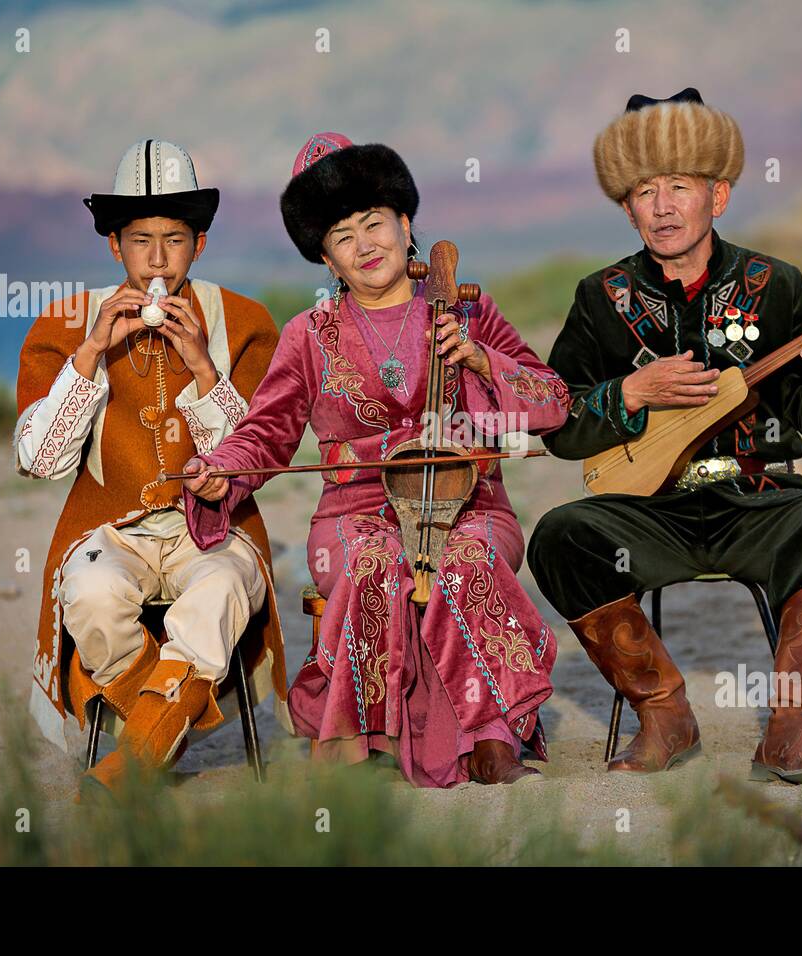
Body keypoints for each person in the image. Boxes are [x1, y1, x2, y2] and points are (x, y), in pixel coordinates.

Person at [182, 132, 570, 787]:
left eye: (373, 224)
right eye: (342, 236)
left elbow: (553, 404)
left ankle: (492, 728)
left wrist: (480, 359)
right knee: (377, 560)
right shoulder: (309, 335)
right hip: (354, 510)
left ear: (405, 224)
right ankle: (373, 734)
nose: (364, 245)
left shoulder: (467, 308)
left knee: (464, 554)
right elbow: (268, 433)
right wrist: (223, 467)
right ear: (326, 259)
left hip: (470, 502)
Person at [527, 90, 802, 783]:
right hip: (649, 513)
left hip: (757, 501)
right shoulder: (602, 296)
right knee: (562, 536)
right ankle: (665, 716)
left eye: (677, 187)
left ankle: (790, 735)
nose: (660, 207)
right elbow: (558, 421)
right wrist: (628, 395)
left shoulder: (775, 286)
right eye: (643, 192)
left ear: (719, 195)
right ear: (625, 208)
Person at [15, 139, 288, 797]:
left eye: (174, 238)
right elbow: (41, 462)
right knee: (91, 595)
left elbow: (259, 459)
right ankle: (158, 736)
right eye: (140, 239)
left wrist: (201, 364)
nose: (158, 258)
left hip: (216, 529)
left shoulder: (247, 323)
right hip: (107, 532)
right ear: (115, 246)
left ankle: (131, 765)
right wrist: (89, 356)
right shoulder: (63, 325)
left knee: (220, 592)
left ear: (200, 243)